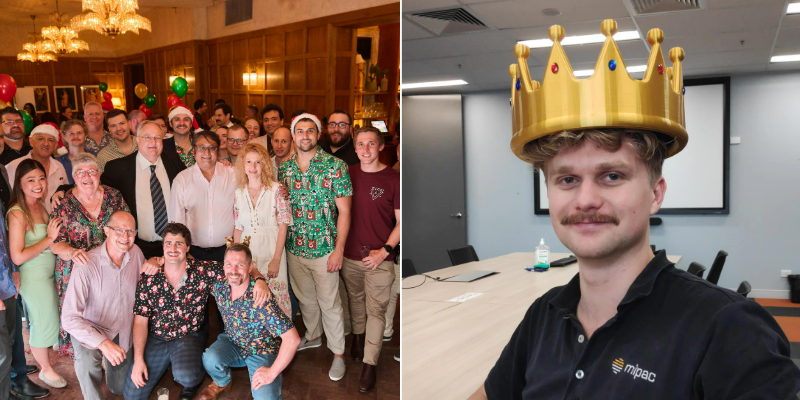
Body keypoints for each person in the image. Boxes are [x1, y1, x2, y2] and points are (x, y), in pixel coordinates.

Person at [472, 21, 800, 399]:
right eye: (567, 180)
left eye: (611, 176)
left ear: (656, 193)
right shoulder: (542, 315)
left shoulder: (728, 327)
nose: (585, 200)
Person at [124, 223, 270, 400]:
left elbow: (237, 266)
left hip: (188, 335)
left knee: (187, 375)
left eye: (179, 243)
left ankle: (186, 367)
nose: (173, 248)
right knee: (132, 394)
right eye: (168, 243)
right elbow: (139, 321)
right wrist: (138, 359)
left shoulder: (203, 271)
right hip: (157, 338)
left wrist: (260, 279)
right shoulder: (149, 276)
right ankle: (167, 362)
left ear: (187, 247)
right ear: (162, 247)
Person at [278, 113, 352, 381]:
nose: (305, 135)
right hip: (294, 249)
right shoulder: (284, 169)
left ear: (318, 134)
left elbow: (345, 212)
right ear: (293, 135)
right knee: (307, 301)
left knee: (330, 303)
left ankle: (338, 354)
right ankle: (313, 336)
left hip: (324, 250)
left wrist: (339, 249)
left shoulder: (336, 166)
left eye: (310, 131)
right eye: (300, 131)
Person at [50, 153, 129, 358]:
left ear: (99, 174)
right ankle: (86, 354)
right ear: (73, 177)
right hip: (76, 267)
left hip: (109, 266)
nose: (87, 176)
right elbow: (55, 244)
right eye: (81, 172)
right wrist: (72, 251)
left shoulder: (114, 196)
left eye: (92, 171)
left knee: (108, 310)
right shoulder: (63, 204)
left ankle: (110, 349)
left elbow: (126, 224)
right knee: (81, 314)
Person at [198, 243, 300, 400]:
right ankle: (222, 381)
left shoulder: (260, 298)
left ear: (250, 266)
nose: (233, 271)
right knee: (210, 358)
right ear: (223, 266)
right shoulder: (220, 286)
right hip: (233, 341)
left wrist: (271, 372)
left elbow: (293, 339)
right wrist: (159, 260)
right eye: (229, 264)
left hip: (261, 349)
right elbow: (190, 264)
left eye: (240, 265)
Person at [60, 211, 143, 400]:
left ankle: (109, 364)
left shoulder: (136, 253)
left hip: (122, 329)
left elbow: (146, 284)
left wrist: (156, 261)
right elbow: (69, 318)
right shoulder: (86, 264)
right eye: (119, 230)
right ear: (106, 231)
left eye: (130, 231)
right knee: (88, 364)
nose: (125, 237)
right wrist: (102, 344)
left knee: (120, 387)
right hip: (92, 327)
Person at [341, 127, 400, 392]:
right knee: (355, 300)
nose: (366, 150)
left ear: (381, 147)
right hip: (350, 255)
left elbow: (402, 221)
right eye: (361, 145)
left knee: (376, 310)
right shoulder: (347, 173)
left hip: (380, 258)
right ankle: (357, 335)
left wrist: (385, 250)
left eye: (371, 144)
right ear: (355, 148)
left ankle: (370, 363)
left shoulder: (394, 179)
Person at [7, 159, 65, 389]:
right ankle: (46, 370)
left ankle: (48, 364)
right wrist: (49, 239)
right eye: (30, 180)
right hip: (34, 277)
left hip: (50, 274)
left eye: (41, 178)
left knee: (51, 319)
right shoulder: (17, 212)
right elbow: (17, 256)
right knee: (42, 323)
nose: (38, 183)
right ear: (19, 184)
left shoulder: (40, 204)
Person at [100, 121, 186, 259]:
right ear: (137, 139)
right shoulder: (117, 168)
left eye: (158, 138)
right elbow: (95, 189)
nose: (153, 142)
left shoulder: (173, 160)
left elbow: (193, 180)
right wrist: (62, 190)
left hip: (172, 246)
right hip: (136, 247)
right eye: (147, 137)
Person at [233, 143, 292, 317]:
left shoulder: (276, 190)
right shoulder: (239, 192)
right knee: (252, 296)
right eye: (249, 162)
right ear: (243, 165)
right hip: (248, 249)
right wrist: (237, 259)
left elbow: (283, 225)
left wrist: (276, 259)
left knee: (276, 296)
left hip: (271, 247)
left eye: (258, 162)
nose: (253, 167)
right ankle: (259, 339)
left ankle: (281, 339)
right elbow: (238, 228)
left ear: (264, 165)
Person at [169, 131, 236, 262]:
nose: (207, 152)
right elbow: (176, 221)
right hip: (193, 253)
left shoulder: (233, 175)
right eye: (201, 147)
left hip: (228, 251)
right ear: (194, 150)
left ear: (218, 150)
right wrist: (184, 253)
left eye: (212, 148)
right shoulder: (182, 179)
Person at [6, 124, 69, 212]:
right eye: (41, 139)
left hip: (56, 222)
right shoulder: (14, 166)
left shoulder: (59, 166)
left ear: (55, 146)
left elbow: (66, 192)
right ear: (31, 141)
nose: (46, 143)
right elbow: (9, 199)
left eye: (50, 140)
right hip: (28, 222)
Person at [55, 119, 91, 185]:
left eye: (79, 133)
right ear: (65, 137)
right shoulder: (57, 163)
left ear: (85, 136)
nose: (75, 136)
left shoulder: (96, 157)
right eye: (71, 133)